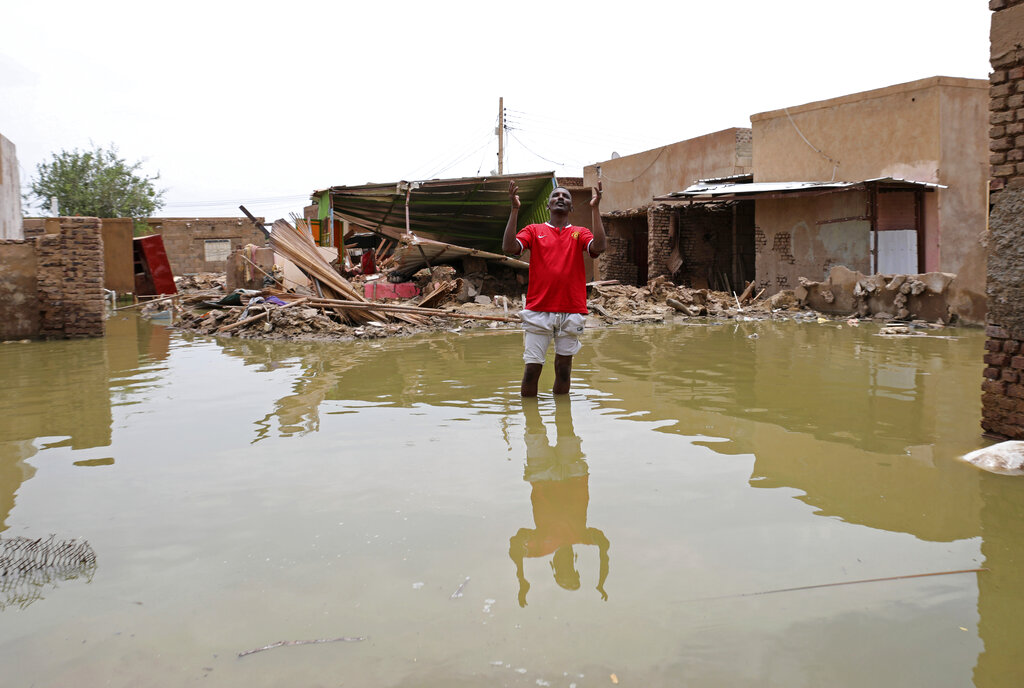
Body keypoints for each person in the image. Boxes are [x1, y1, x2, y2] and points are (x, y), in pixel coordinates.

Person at [502, 180, 606, 396]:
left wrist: (595, 209)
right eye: (555, 196)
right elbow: (510, 247)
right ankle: (533, 429)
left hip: (571, 311)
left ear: (571, 207)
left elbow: (599, 247)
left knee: (564, 371)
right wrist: (514, 209)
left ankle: (564, 427)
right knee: (532, 370)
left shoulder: (580, 233)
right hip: (538, 310)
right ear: (548, 206)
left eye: (565, 197)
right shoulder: (534, 230)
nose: (560, 198)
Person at [508, 397, 609, 606]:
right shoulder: (573, 539)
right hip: (561, 475)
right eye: (569, 570)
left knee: (557, 425)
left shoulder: (546, 546)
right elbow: (515, 545)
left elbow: (515, 544)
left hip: (557, 475)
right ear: (573, 564)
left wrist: (522, 580)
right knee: (550, 426)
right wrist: (520, 578)